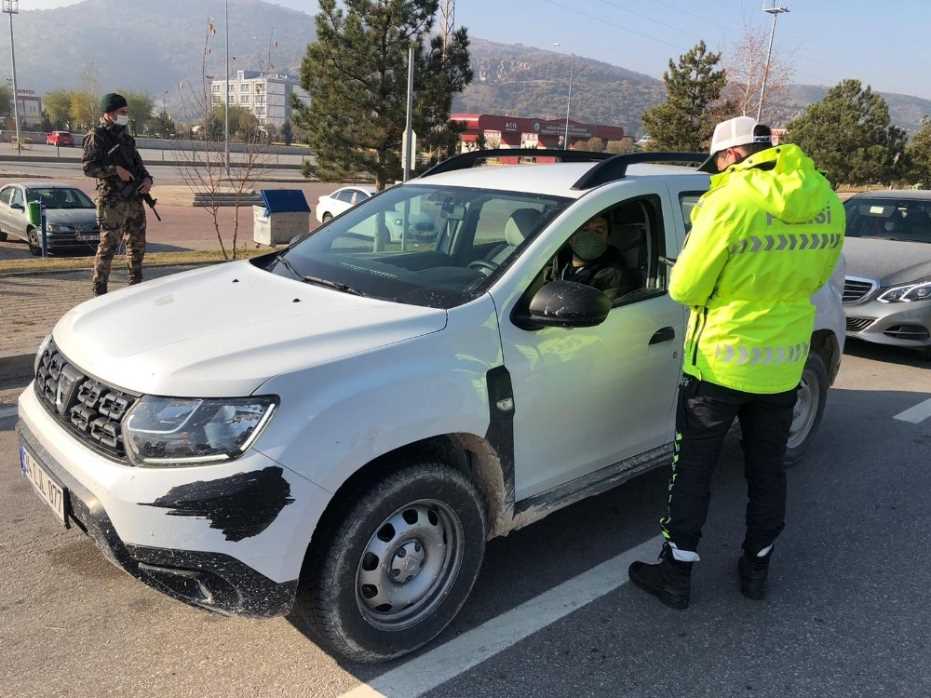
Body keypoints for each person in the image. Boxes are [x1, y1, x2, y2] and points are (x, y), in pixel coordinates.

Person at [628, 116, 844, 608]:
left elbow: (685, 287)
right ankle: (756, 569)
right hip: (784, 362)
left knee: (694, 472)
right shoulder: (827, 200)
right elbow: (818, 277)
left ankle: (676, 577)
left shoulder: (729, 201)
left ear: (730, 155)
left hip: (720, 364)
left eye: (716, 162)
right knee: (767, 470)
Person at [82, 92, 153, 296]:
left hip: (134, 200)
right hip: (112, 201)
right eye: (122, 112)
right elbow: (89, 168)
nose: (125, 115)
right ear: (109, 113)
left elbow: (139, 167)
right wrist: (115, 170)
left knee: (137, 245)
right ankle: (100, 290)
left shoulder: (126, 138)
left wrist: (147, 181)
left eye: (126, 112)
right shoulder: (96, 136)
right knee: (108, 247)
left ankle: (136, 286)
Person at [554, 214, 636, 301]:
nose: (591, 236)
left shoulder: (613, 276)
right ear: (571, 237)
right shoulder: (555, 259)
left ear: (607, 238)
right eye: (584, 230)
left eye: (598, 231)